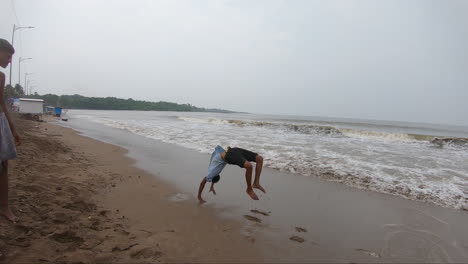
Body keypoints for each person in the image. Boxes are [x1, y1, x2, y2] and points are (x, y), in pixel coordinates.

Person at [198, 145, 265, 203]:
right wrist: (212, 186)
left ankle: (253, 185)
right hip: (233, 150)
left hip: (229, 155)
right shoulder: (212, 169)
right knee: (259, 159)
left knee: (252, 163)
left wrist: (199, 197)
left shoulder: (212, 173)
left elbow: (202, 183)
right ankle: (252, 186)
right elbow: (213, 177)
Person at [0, 39, 21, 222]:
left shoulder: (1, 77)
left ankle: (5, 207)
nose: (9, 60)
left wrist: (12, 129)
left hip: (0, 122)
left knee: (4, 164)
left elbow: (2, 104)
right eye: (8, 56)